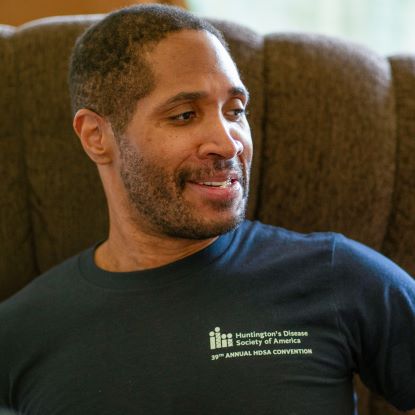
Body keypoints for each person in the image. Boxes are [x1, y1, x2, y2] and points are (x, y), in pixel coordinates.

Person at [0, 4, 414, 415]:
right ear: (96, 136)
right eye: (184, 115)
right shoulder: (19, 333)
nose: (229, 142)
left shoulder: (334, 274)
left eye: (235, 111)